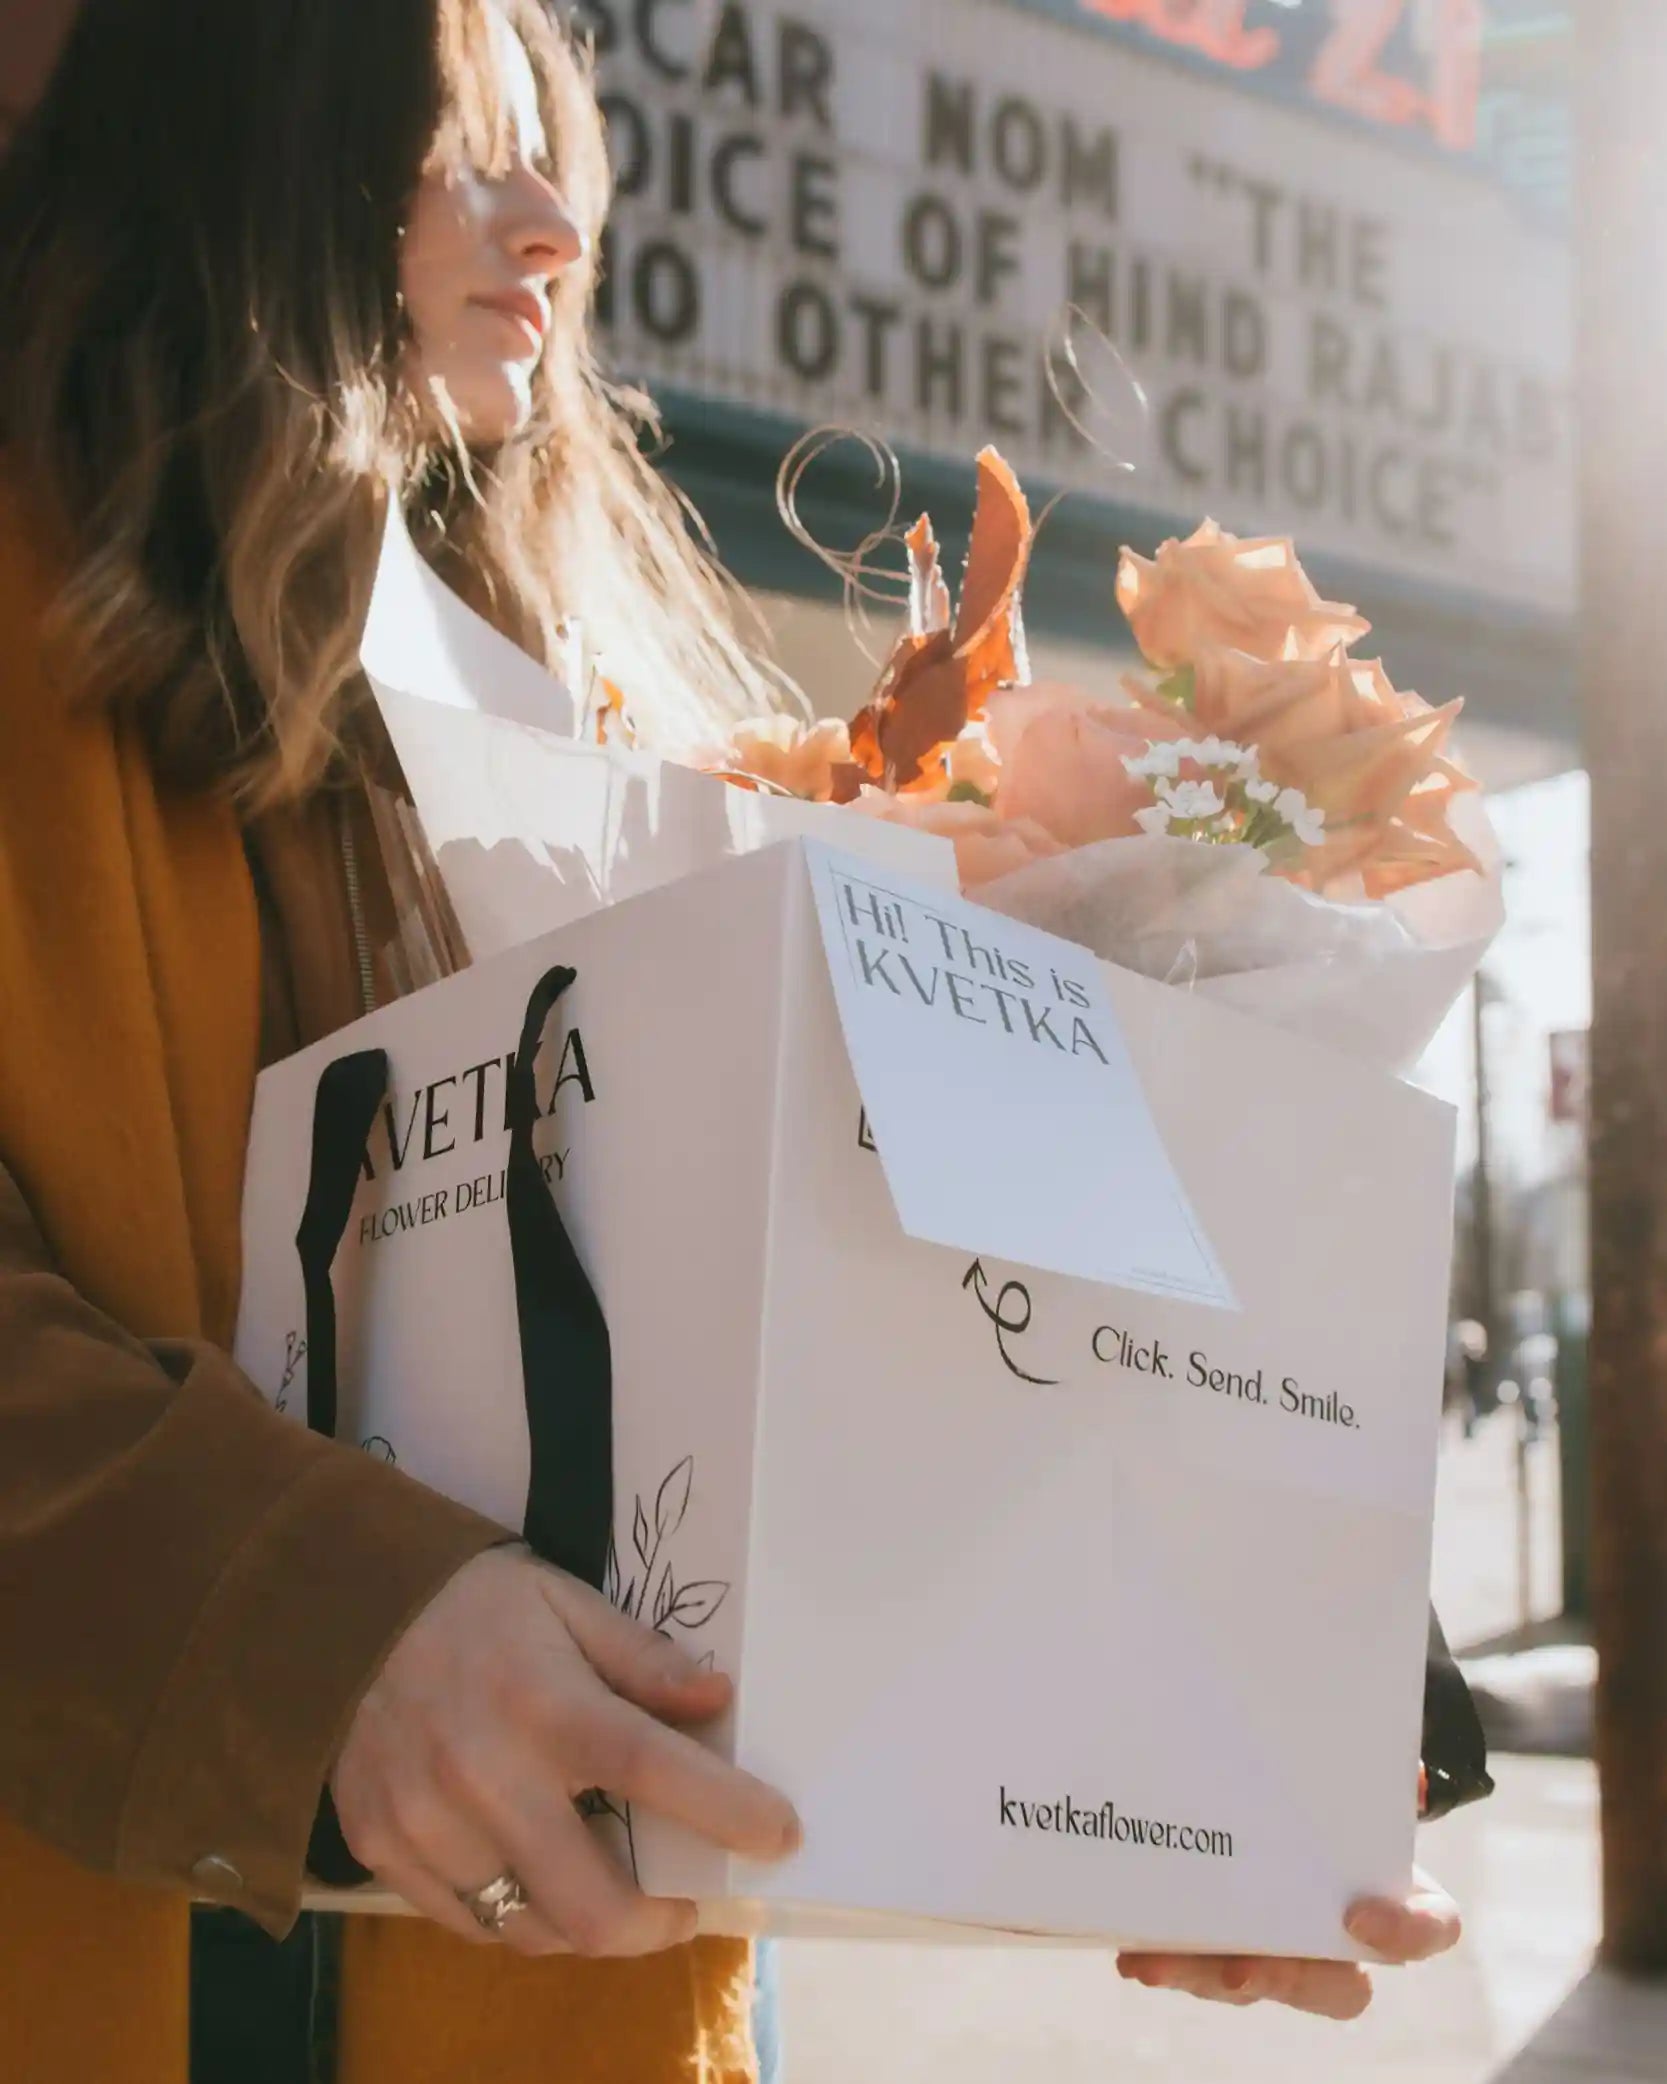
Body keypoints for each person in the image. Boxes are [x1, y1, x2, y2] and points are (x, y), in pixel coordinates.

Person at [0, 2, 1460, 2079]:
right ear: (265, 109)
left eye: (564, 178)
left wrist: (1235, 1693)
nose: (554, 232)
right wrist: (316, 1626)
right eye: (470, 147)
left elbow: (897, 1328)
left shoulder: (594, 729)